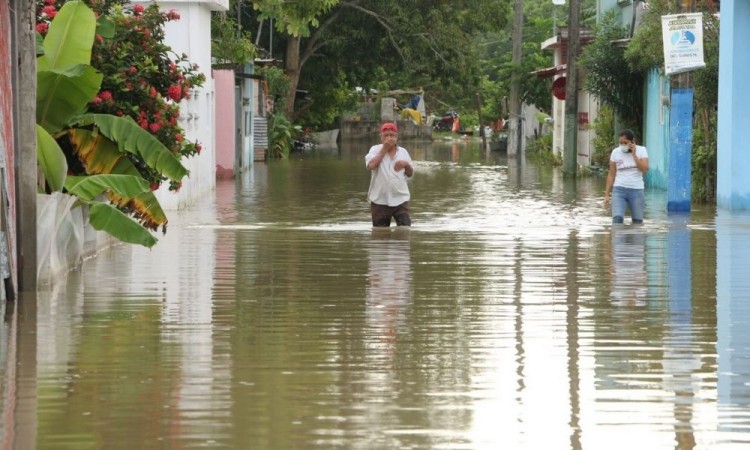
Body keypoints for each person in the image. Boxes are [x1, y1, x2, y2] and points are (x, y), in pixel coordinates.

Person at [365, 122, 414, 227]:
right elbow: (371, 165)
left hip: (401, 199)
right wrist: (384, 149)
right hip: (379, 200)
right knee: (380, 234)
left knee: (405, 229)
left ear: (397, 137)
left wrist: (405, 165)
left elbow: (410, 174)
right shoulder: (375, 150)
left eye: (392, 135)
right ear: (381, 137)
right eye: (386, 135)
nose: (389, 138)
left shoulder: (403, 152)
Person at [604, 129, 649, 224]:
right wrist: (607, 195)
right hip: (619, 190)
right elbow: (611, 174)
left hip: (637, 190)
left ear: (632, 141)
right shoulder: (615, 152)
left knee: (637, 222)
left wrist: (634, 155)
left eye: (625, 142)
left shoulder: (642, 150)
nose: (623, 145)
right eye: (621, 143)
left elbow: (644, 169)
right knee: (617, 220)